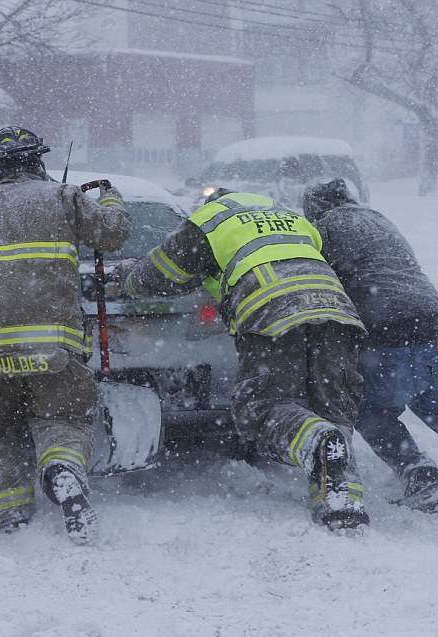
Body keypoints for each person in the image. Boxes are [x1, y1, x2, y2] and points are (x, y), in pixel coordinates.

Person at [114, 187, 370, 532]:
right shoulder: (290, 215)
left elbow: (160, 275)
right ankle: (342, 502)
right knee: (332, 404)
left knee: (262, 407)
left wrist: (127, 277)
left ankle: (316, 440)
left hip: (273, 313)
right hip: (337, 314)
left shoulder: (210, 221)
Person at [301, 179, 438, 519]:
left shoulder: (322, 230)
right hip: (431, 323)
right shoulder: (378, 219)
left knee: (371, 412)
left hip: (383, 329)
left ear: (313, 209)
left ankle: (417, 471)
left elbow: (318, 283)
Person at [0, 126, 132, 543]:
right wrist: (109, 196)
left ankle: (10, 515)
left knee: (0, 430)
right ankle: (63, 470)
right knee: (63, 419)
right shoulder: (63, 197)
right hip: (52, 347)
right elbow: (114, 232)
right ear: (37, 162)